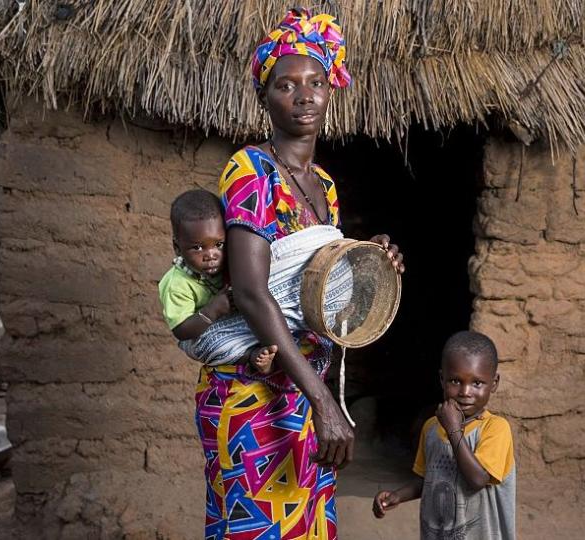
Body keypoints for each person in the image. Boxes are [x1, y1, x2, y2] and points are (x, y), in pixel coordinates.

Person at [194, 9, 404, 539]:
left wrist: (367, 260)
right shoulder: (250, 171)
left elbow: (315, 279)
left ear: (331, 89)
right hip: (253, 392)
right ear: (265, 98)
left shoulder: (324, 185)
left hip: (302, 395)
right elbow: (249, 289)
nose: (304, 95)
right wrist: (324, 400)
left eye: (315, 82)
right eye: (286, 85)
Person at [372, 331, 515, 540]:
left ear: (494, 383)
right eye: (456, 381)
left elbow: (477, 479)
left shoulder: (495, 428)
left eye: (477, 383)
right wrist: (397, 496)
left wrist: (453, 430)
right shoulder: (431, 427)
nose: (465, 392)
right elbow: (428, 478)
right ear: (442, 379)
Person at [157, 189, 276, 373]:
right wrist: (212, 310)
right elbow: (181, 331)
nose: (211, 255)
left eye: (219, 244)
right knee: (211, 346)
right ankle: (251, 357)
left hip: (231, 324)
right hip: (198, 334)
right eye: (198, 247)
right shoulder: (176, 283)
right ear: (177, 247)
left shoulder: (229, 260)